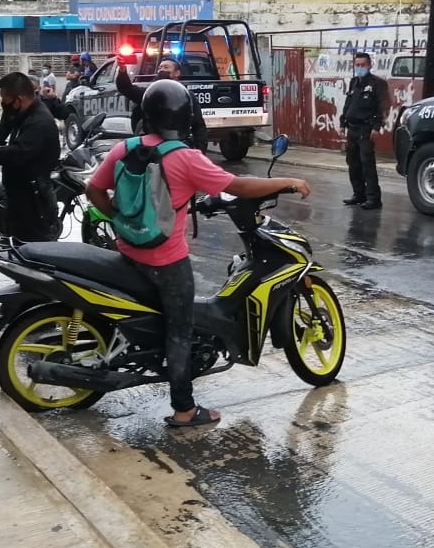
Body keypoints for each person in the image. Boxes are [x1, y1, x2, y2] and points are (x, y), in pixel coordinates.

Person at [86, 80, 311, 428]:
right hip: (166, 261)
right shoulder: (185, 158)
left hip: (128, 251)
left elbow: (94, 189)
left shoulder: (124, 149)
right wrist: (287, 181)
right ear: (185, 116)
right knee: (180, 330)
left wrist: (117, 219)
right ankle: (184, 409)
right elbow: (236, 186)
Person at [0, 72, 62, 242]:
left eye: (5, 99)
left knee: (32, 254)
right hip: (20, 198)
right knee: (18, 247)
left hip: (32, 203)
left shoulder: (39, 122)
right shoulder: (23, 115)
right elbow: (2, 138)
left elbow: (16, 154)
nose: (3, 103)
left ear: (20, 99)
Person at [118, 57, 208, 151]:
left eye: (166, 67)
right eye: (160, 68)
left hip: (179, 145)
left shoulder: (187, 95)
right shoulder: (151, 93)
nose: (161, 70)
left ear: (177, 73)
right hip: (153, 147)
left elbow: (198, 125)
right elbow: (126, 89)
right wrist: (122, 70)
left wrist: (200, 150)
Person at [340, 51, 391, 211]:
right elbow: (348, 103)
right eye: (357, 65)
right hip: (352, 128)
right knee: (353, 163)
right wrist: (343, 122)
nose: (360, 68)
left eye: (363, 65)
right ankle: (358, 194)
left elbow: (383, 106)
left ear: (370, 65)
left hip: (366, 129)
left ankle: (374, 198)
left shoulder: (377, 83)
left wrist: (377, 126)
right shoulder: (354, 82)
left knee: (367, 164)